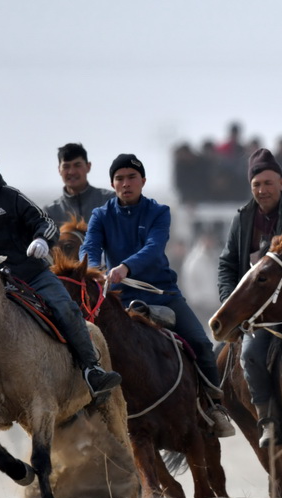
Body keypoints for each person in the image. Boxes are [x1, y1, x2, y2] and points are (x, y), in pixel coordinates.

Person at [0, 139, 121, 417]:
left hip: (31, 273)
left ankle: (92, 370)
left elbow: (46, 222)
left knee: (65, 307)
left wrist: (42, 239)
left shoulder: (10, 197)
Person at [79, 153, 235, 438]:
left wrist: (126, 266)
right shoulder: (101, 216)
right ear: (112, 184)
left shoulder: (159, 211)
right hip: (119, 300)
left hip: (163, 294)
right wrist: (92, 269)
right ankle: (86, 412)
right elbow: (89, 247)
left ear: (143, 181)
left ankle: (215, 406)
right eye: (120, 179)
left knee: (201, 342)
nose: (126, 184)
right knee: (84, 349)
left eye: (131, 178)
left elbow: (154, 247)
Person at [217, 148, 282, 447]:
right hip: (255, 308)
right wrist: (229, 302)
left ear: (281, 182)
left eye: (267, 183)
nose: (262, 190)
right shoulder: (242, 218)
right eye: (256, 185)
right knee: (244, 355)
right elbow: (226, 264)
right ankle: (267, 420)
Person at [41, 142, 115, 225]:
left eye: (77, 165)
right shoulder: (51, 212)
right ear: (59, 170)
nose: (72, 172)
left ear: (88, 166)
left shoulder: (110, 201)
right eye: (66, 166)